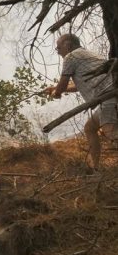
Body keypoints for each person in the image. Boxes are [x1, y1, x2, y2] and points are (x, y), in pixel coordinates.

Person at [44, 33, 117, 171]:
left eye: (58, 47)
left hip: (108, 98)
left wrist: (57, 93)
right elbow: (77, 85)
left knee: (113, 134)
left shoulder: (71, 57)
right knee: (89, 128)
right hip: (108, 96)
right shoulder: (86, 55)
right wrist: (55, 88)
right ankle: (96, 168)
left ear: (68, 45)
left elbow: (63, 85)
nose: (57, 51)